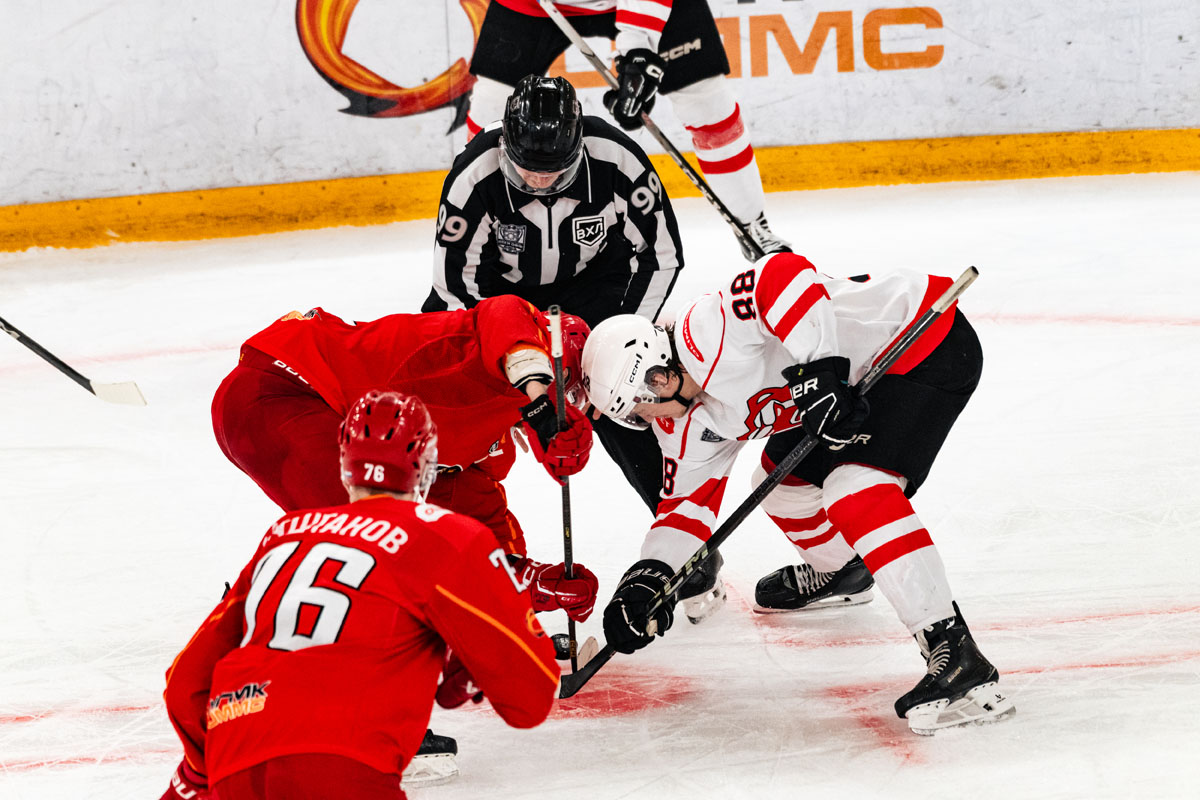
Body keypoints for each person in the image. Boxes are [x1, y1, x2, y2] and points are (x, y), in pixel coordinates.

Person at [580, 251, 1016, 734]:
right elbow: (685, 507)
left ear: (656, 375)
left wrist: (821, 368)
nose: (645, 421)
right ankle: (846, 570)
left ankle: (955, 651)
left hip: (919, 343)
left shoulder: (704, 331)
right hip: (850, 387)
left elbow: (778, 273)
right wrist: (649, 577)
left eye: (639, 409)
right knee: (782, 487)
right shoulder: (682, 424)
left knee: (856, 489)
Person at [209, 294, 598, 778]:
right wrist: (543, 406)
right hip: (283, 391)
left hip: (297, 407)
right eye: (566, 390)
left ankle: (251, 627)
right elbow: (505, 318)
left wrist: (535, 587)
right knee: (370, 551)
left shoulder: (487, 437)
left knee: (375, 548)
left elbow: (475, 543)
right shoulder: (508, 331)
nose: (565, 407)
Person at [423, 74, 724, 624]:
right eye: (526, 168)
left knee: (623, 406)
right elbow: (454, 285)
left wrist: (620, 342)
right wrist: (516, 374)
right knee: (441, 397)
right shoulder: (474, 174)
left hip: (598, 295)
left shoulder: (616, 160)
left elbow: (661, 256)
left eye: (555, 170)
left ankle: (685, 551)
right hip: (499, 300)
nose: (539, 180)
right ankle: (430, 550)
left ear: (579, 145)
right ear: (505, 145)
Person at [157, 390, 561, 800]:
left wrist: (198, 774)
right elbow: (529, 698)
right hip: (343, 763)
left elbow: (185, 682)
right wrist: (477, 666)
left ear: (344, 465)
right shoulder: (445, 534)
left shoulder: (284, 535)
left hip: (235, 757)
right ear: (426, 467)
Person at [462, 0, 793, 261]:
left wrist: (639, 52)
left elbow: (643, 55)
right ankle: (475, 226)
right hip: (534, 6)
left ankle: (751, 223)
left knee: (707, 101)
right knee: (492, 107)